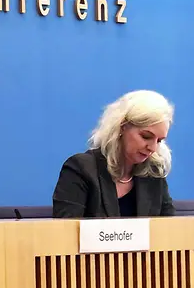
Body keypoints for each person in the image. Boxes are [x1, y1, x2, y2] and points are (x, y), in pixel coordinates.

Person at [53, 90, 175, 218]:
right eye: (146, 136)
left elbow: (168, 230)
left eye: (159, 140)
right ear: (122, 126)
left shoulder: (154, 172)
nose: (153, 148)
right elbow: (65, 233)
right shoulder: (80, 169)